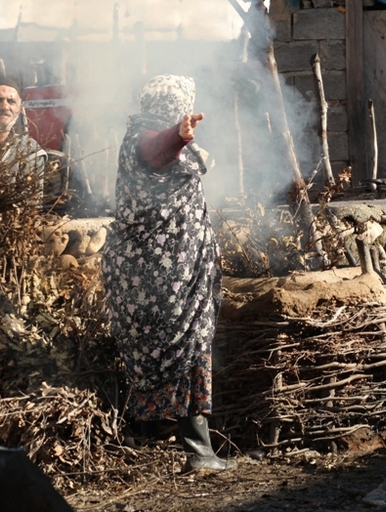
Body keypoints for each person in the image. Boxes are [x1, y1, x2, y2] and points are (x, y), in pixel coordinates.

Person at [101, 74, 234, 473]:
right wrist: (178, 135)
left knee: (160, 351)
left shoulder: (146, 134)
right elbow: (157, 153)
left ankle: (146, 443)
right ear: (167, 104)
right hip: (161, 277)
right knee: (181, 349)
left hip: (159, 273)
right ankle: (199, 451)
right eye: (180, 103)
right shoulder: (144, 138)